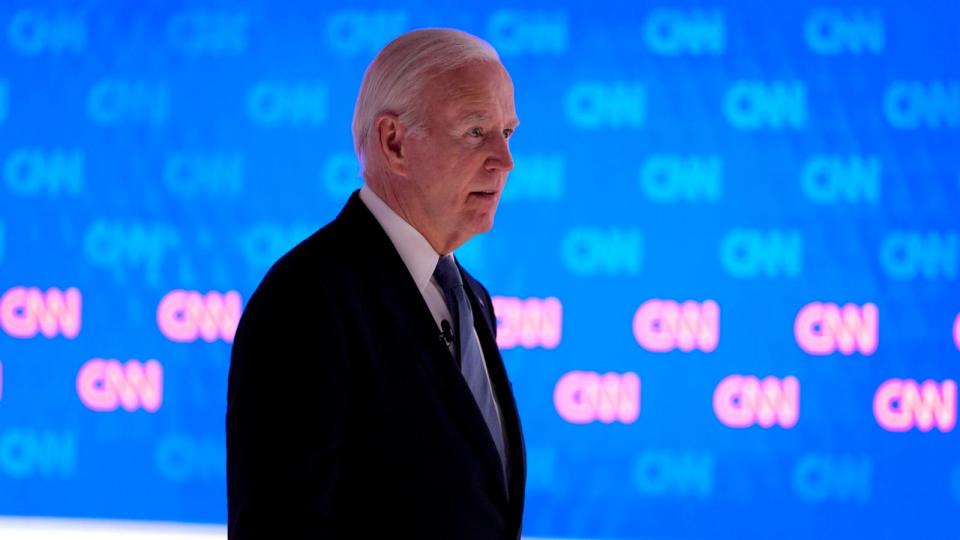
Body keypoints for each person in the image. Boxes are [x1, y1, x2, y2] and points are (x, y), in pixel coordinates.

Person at [226, 28, 526, 539]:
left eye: (508, 132)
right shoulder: (307, 300)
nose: (505, 160)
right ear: (394, 143)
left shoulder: (471, 298)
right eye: (476, 131)